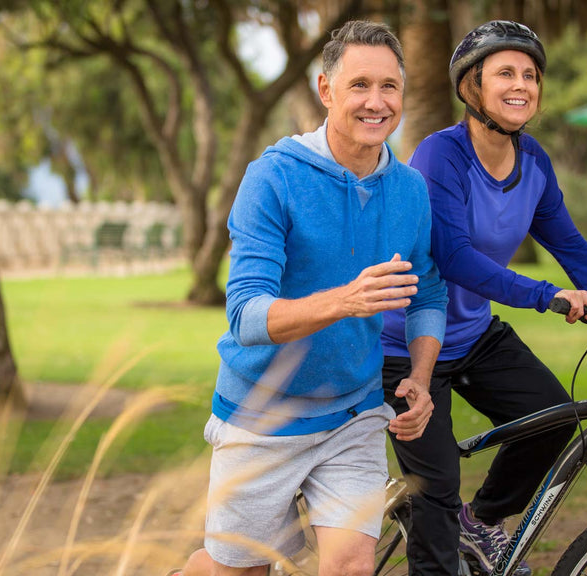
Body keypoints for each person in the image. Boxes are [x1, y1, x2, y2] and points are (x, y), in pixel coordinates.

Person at [380, 20, 587, 576]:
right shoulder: (441, 156)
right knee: (436, 495)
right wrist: (548, 297)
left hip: (475, 335)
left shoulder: (532, 160)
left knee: (552, 419)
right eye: (505, 73)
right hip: (407, 342)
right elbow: (455, 256)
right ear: (473, 87)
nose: (521, 85)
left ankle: (483, 521)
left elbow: (570, 245)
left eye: (530, 75)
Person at [178, 20, 448, 576]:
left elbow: (428, 291)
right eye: (359, 86)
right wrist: (345, 300)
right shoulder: (272, 179)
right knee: (237, 570)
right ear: (326, 91)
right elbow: (246, 315)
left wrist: (420, 377)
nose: (377, 102)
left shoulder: (410, 190)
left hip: (354, 414)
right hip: (261, 417)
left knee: (351, 566)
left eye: (389, 87)